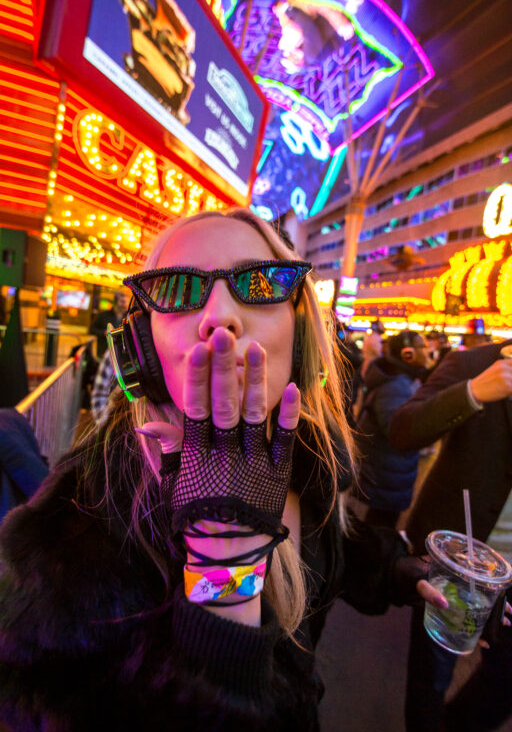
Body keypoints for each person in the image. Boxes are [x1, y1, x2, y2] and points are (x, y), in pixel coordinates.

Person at [0, 209, 446, 731]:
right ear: (142, 346)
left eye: (259, 284)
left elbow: (328, 549)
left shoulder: (307, 454)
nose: (219, 317)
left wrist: (400, 570)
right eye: (177, 290)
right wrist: (223, 573)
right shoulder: (80, 524)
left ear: (301, 332)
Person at [389, 338, 512, 732]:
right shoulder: (473, 363)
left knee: (504, 681)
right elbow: (402, 430)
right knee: (432, 676)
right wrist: (472, 393)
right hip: (457, 565)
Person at [354, 330, 429, 528]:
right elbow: (396, 431)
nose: (427, 351)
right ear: (407, 354)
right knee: (376, 530)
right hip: (384, 474)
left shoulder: (405, 380)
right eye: (422, 347)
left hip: (389, 471)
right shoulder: (396, 386)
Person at [90, 290, 129, 356]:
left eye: (126, 302)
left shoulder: (128, 317)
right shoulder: (103, 315)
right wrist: (104, 332)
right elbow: (92, 329)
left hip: (121, 354)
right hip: (104, 352)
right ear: (115, 302)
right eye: (122, 302)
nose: (125, 305)